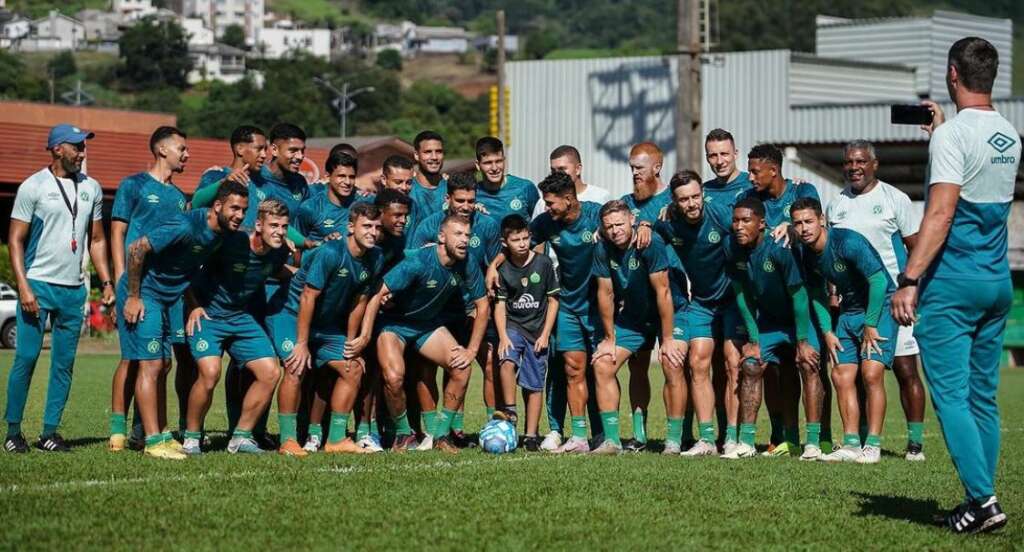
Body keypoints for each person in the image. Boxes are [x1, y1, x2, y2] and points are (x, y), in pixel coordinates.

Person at [891, 37, 1018, 534]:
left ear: (951, 74)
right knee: (983, 397)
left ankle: (983, 502)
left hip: (953, 287)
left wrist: (909, 279)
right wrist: (941, 133)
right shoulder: (1008, 133)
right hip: (995, 282)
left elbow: (942, 214)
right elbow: (977, 186)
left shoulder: (952, 138)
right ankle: (979, 499)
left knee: (951, 397)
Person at [3, 124, 113, 454]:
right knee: (26, 357)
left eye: (84, 146)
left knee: (64, 364)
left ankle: (50, 432)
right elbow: (14, 240)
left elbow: (96, 239)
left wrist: (105, 281)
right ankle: (13, 432)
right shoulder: (32, 187)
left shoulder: (91, 187)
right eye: (76, 146)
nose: (83, 152)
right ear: (56, 149)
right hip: (37, 284)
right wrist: (23, 287)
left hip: (73, 289)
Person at [120, 181, 248, 460]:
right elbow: (137, 248)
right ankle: (153, 441)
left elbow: (185, 270)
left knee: (164, 364)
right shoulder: (186, 226)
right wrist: (132, 296)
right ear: (217, 206)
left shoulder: (221, 234)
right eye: (234, 208)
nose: (240, 215)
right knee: (151, 365)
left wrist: (193, 304)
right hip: (144, 295)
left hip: (169, 299)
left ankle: (163, 434)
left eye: (244, 210)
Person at [826, 140, 928, 461]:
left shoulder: (895, 199)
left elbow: (916, 248)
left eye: (860, 162)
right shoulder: (836, 204)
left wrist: (911, 290)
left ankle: (915, 443)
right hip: (854, 304)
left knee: (904, 368)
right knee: (857, 372)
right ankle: (862, 441)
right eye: (848, 162)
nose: (853, 168)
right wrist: (833, 295)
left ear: (874, 164)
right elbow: (833, 255)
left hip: (893, 300)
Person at [367, 214, 489, 453]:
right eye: (458, 234)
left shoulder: (468, 262)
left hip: (427, 325)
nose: (464, 240)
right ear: (441, 237)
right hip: (394, 324)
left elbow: (482, 306)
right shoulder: (418, 262)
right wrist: (363, 336)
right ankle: (403, 435)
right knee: (394, 378)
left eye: (467, 235)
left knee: (462, 367)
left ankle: (441, 436)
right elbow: (376, 294)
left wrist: (471, 350)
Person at [722, 197, 830, 461]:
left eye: (746, 221)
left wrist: (803, 340)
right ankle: (746, 442)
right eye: (735, 220)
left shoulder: (779, 247)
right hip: (769, 322)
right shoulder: (731, 247)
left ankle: (814, 443)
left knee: (809, 365)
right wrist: (754, 339)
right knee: (750, 365)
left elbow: (800, 296)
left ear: (761, 224)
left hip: (799, 320)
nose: (738, 226)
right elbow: (742, 295)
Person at [273, 203, 385, 456]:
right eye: (366, 226)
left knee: (353, 368)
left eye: (377, 227)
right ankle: (288, 440)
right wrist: (301, 343)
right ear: (350, 227)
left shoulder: (376, 256)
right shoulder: (331, 252)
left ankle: (335, 439)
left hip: (327, 325)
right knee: (295, 366)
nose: (372, 232)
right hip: (292, 315)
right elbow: (308, 297)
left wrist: (350, 342)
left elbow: (360, 300)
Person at [183, 199, 293, 455]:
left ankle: (241, 437)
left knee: (271, 372)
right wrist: (193, 305)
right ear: (258, 225)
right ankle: (191, 438)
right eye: (274, 225)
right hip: (207, 315)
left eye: (284, 226)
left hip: (240, 318)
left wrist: (304, 276)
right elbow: (187, 267)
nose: (279, 231)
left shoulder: (279, 251)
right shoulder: (231, 242)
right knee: (210, 374)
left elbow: (278, 271)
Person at [792, 197, 896, 464]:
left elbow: (879, 281)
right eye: (798, 223)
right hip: (849, 311)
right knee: (840, 374)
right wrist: (827, 331)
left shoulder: (847, 242)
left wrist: (871, 325)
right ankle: (851, 444)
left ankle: (872, 446)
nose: (804, 228)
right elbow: (816, 292)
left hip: (879, 306)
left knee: (871, 373)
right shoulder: (805, 252)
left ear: (822, 221)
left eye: (808, 221)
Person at [107, 126, 190, 451]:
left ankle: (144, 429)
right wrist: (120, 281)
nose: (187, 154)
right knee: (135, 360)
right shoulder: (134, 185)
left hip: (165, 291)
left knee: (161, 363)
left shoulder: (179, 198)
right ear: (162, 150)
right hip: (137, 288)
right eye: (181, 148)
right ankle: (118, 429)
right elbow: (117, 234)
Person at [739, 143, 824, 455]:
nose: (749, 177)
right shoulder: (750, 201)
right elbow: (740, 221)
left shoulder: (804, 191)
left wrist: (793, 225)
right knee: (772, 371)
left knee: (811, 365)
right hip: (772, 307)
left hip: (806, 300)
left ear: (773, 171)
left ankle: (818, 439)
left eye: (755, 171)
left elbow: (815, 222)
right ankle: (781, 436)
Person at [655, 170, 745, 456]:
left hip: (733, 300)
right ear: (674, 201)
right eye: (684, 199)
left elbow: (750, 233)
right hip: (702, 303)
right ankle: (706, 439)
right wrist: (644, 225)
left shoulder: (721, 215)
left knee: (733, 363)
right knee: (697, 362)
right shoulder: (668, 222)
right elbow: (650, 235)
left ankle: (731, 437)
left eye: (696, 196)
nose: (692, 203)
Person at [514, 171, 603, 454]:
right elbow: (519, 243)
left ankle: (603, 433)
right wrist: (494, 268)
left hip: (599, 306)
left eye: (551, 202)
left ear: (568, 199)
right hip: (567, 303)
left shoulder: (596, 215)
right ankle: (577, 435)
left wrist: (642, 225)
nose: (546, 208)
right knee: (572, 367)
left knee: (600, 369)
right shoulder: (546, 222)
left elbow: (625, 224)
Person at [590, 200, 686, 455]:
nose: (614, 231)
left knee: (671, 362)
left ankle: (673, 441)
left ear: (632, 220)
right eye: (609, 226)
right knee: (603, 363)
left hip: (668, 312)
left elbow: (663, 292)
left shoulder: (650, 242)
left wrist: (667, 339)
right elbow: (605, 293)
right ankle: (613, 441)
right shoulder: (602, 247)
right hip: (634, 318)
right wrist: (609, 338)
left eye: (619, 224)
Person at [618, 142, 673, 451]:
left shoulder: (672, 200)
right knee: (637, 367)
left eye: (639, 168)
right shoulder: (626, 204)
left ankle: (680, 434)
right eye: (631, 168)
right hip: (635, 305)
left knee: (675, 365)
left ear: (657, 167)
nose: (634, 174)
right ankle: (638, 435)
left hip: (670, 299)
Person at [493, 215, 560, 451]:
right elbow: (500, 305)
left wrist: (545, 334)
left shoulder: (542, 263)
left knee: (534, 384)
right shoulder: (502, 268)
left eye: (525, 238)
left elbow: (553, 301)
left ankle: (531, 435)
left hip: (538, 331)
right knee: (506, 359)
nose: (522, 243)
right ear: (505, 242)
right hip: (513, 326)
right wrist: (502, 335)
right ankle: (510, 410)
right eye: (516, 240)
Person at [296, 151, 374, 244]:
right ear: (328, 176)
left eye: (352, 177)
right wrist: (323, 244)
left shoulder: (366, 201)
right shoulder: (310, 208)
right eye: (341, 176)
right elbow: (299, 246)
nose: (348, 182)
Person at [474, 136, 539, 222]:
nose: (494, 168)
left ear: (504, 160)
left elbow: (540, 224)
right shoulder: (472, 194)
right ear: (478, 165)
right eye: (488, 163)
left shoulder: (525, 188)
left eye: (498, 161)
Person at [408, 131, 448, 230]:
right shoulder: (406, 189)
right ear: (416, 155)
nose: (434, 157)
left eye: (438, 151)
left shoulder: (452, 188)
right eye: (428, 152)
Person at [703, 129, 753, 207]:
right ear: (707, 159)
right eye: (713, 156)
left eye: (724, 154)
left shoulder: (752, 185)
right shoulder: (702, 192)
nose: (719, 161)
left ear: (735, 154)